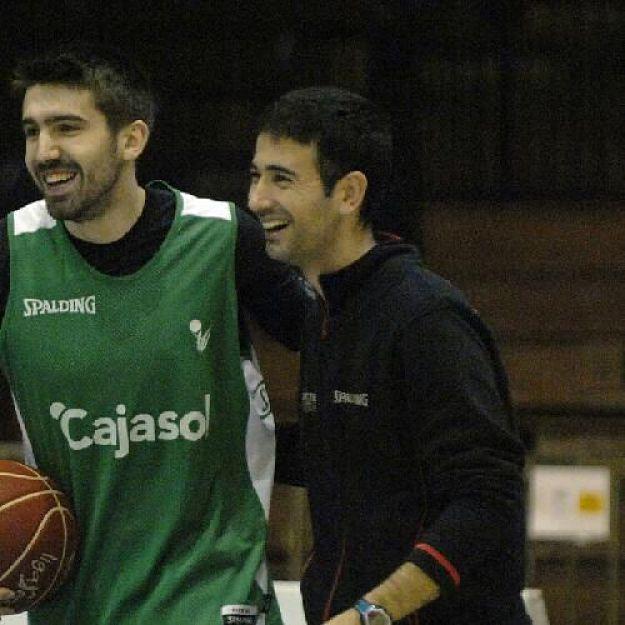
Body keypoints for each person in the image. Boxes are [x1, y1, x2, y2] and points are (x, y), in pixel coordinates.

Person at [0, 44, 307, 625]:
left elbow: (339, 347)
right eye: (32, 131)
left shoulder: (222, 239)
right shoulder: (11, 253)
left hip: (213, 595)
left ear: (131, 139)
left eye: (67, 128)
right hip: (74, 603)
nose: (45, 152)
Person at [248, 86, 530, 625]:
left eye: (281, 178)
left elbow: (488, 495)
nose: (258, 199)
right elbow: (355, 458)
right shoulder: (325, 313)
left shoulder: (424, 317)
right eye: (256, 175)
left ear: (349, 193)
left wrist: (371, 613)